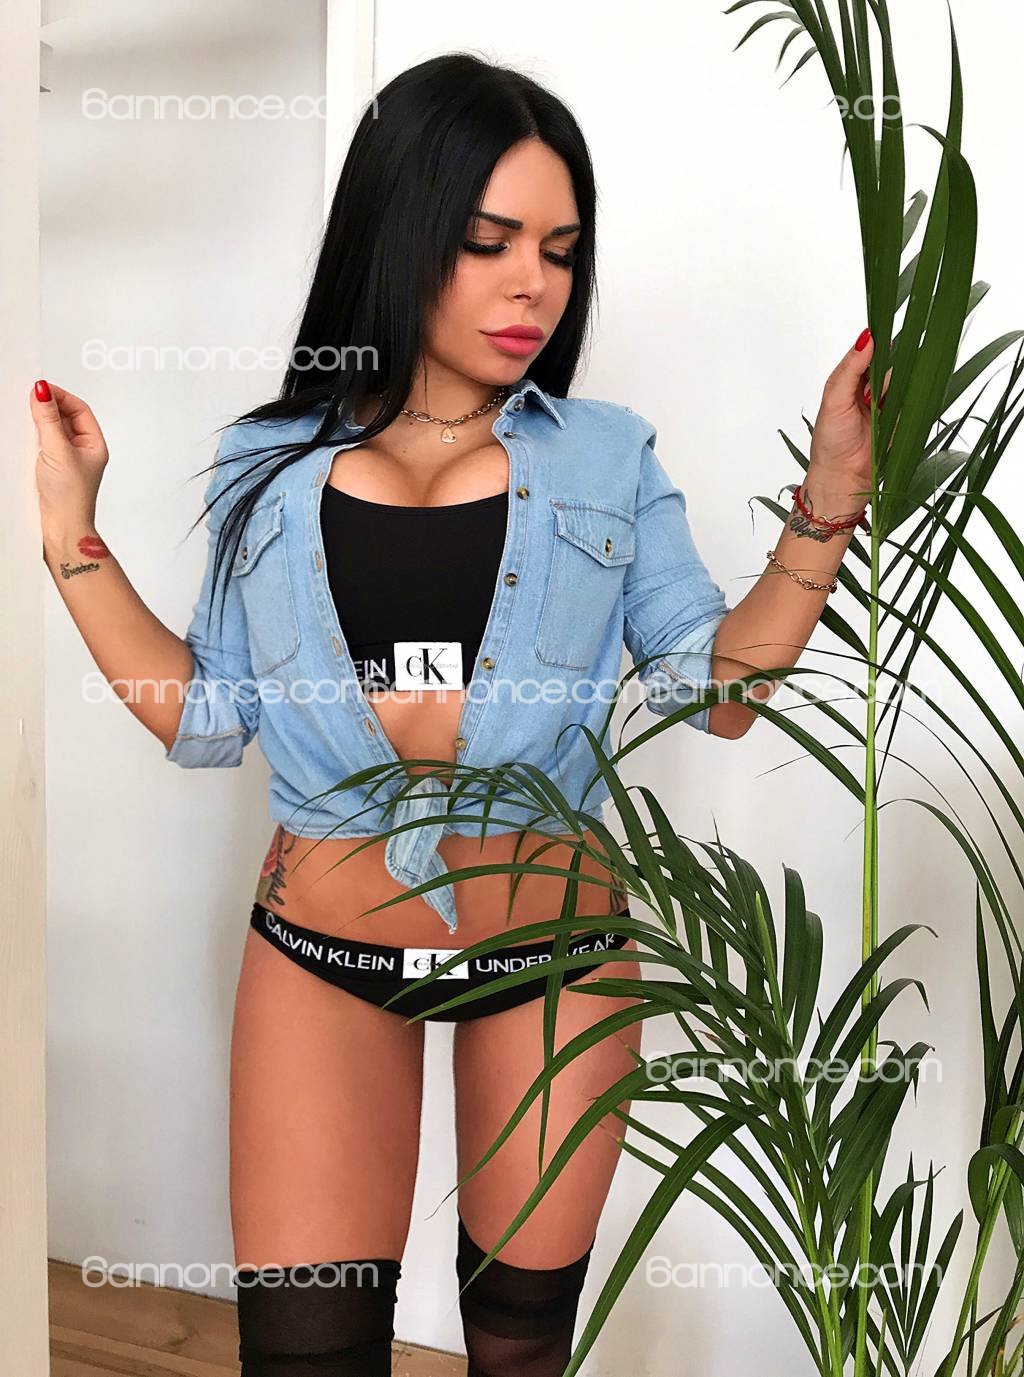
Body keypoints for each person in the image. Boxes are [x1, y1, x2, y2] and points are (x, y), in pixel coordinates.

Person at [33, 50, 876, 1377]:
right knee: (305, 1356)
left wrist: (827, 499)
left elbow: (715, 696)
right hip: (320, 961)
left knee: (518, 1355)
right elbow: (206, 715)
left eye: (559, 249)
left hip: (555, 964)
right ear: (402, 228)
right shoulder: (267, 461)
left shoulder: (606, 453)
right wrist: (72, 535)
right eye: (489, 243)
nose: (533, 283)